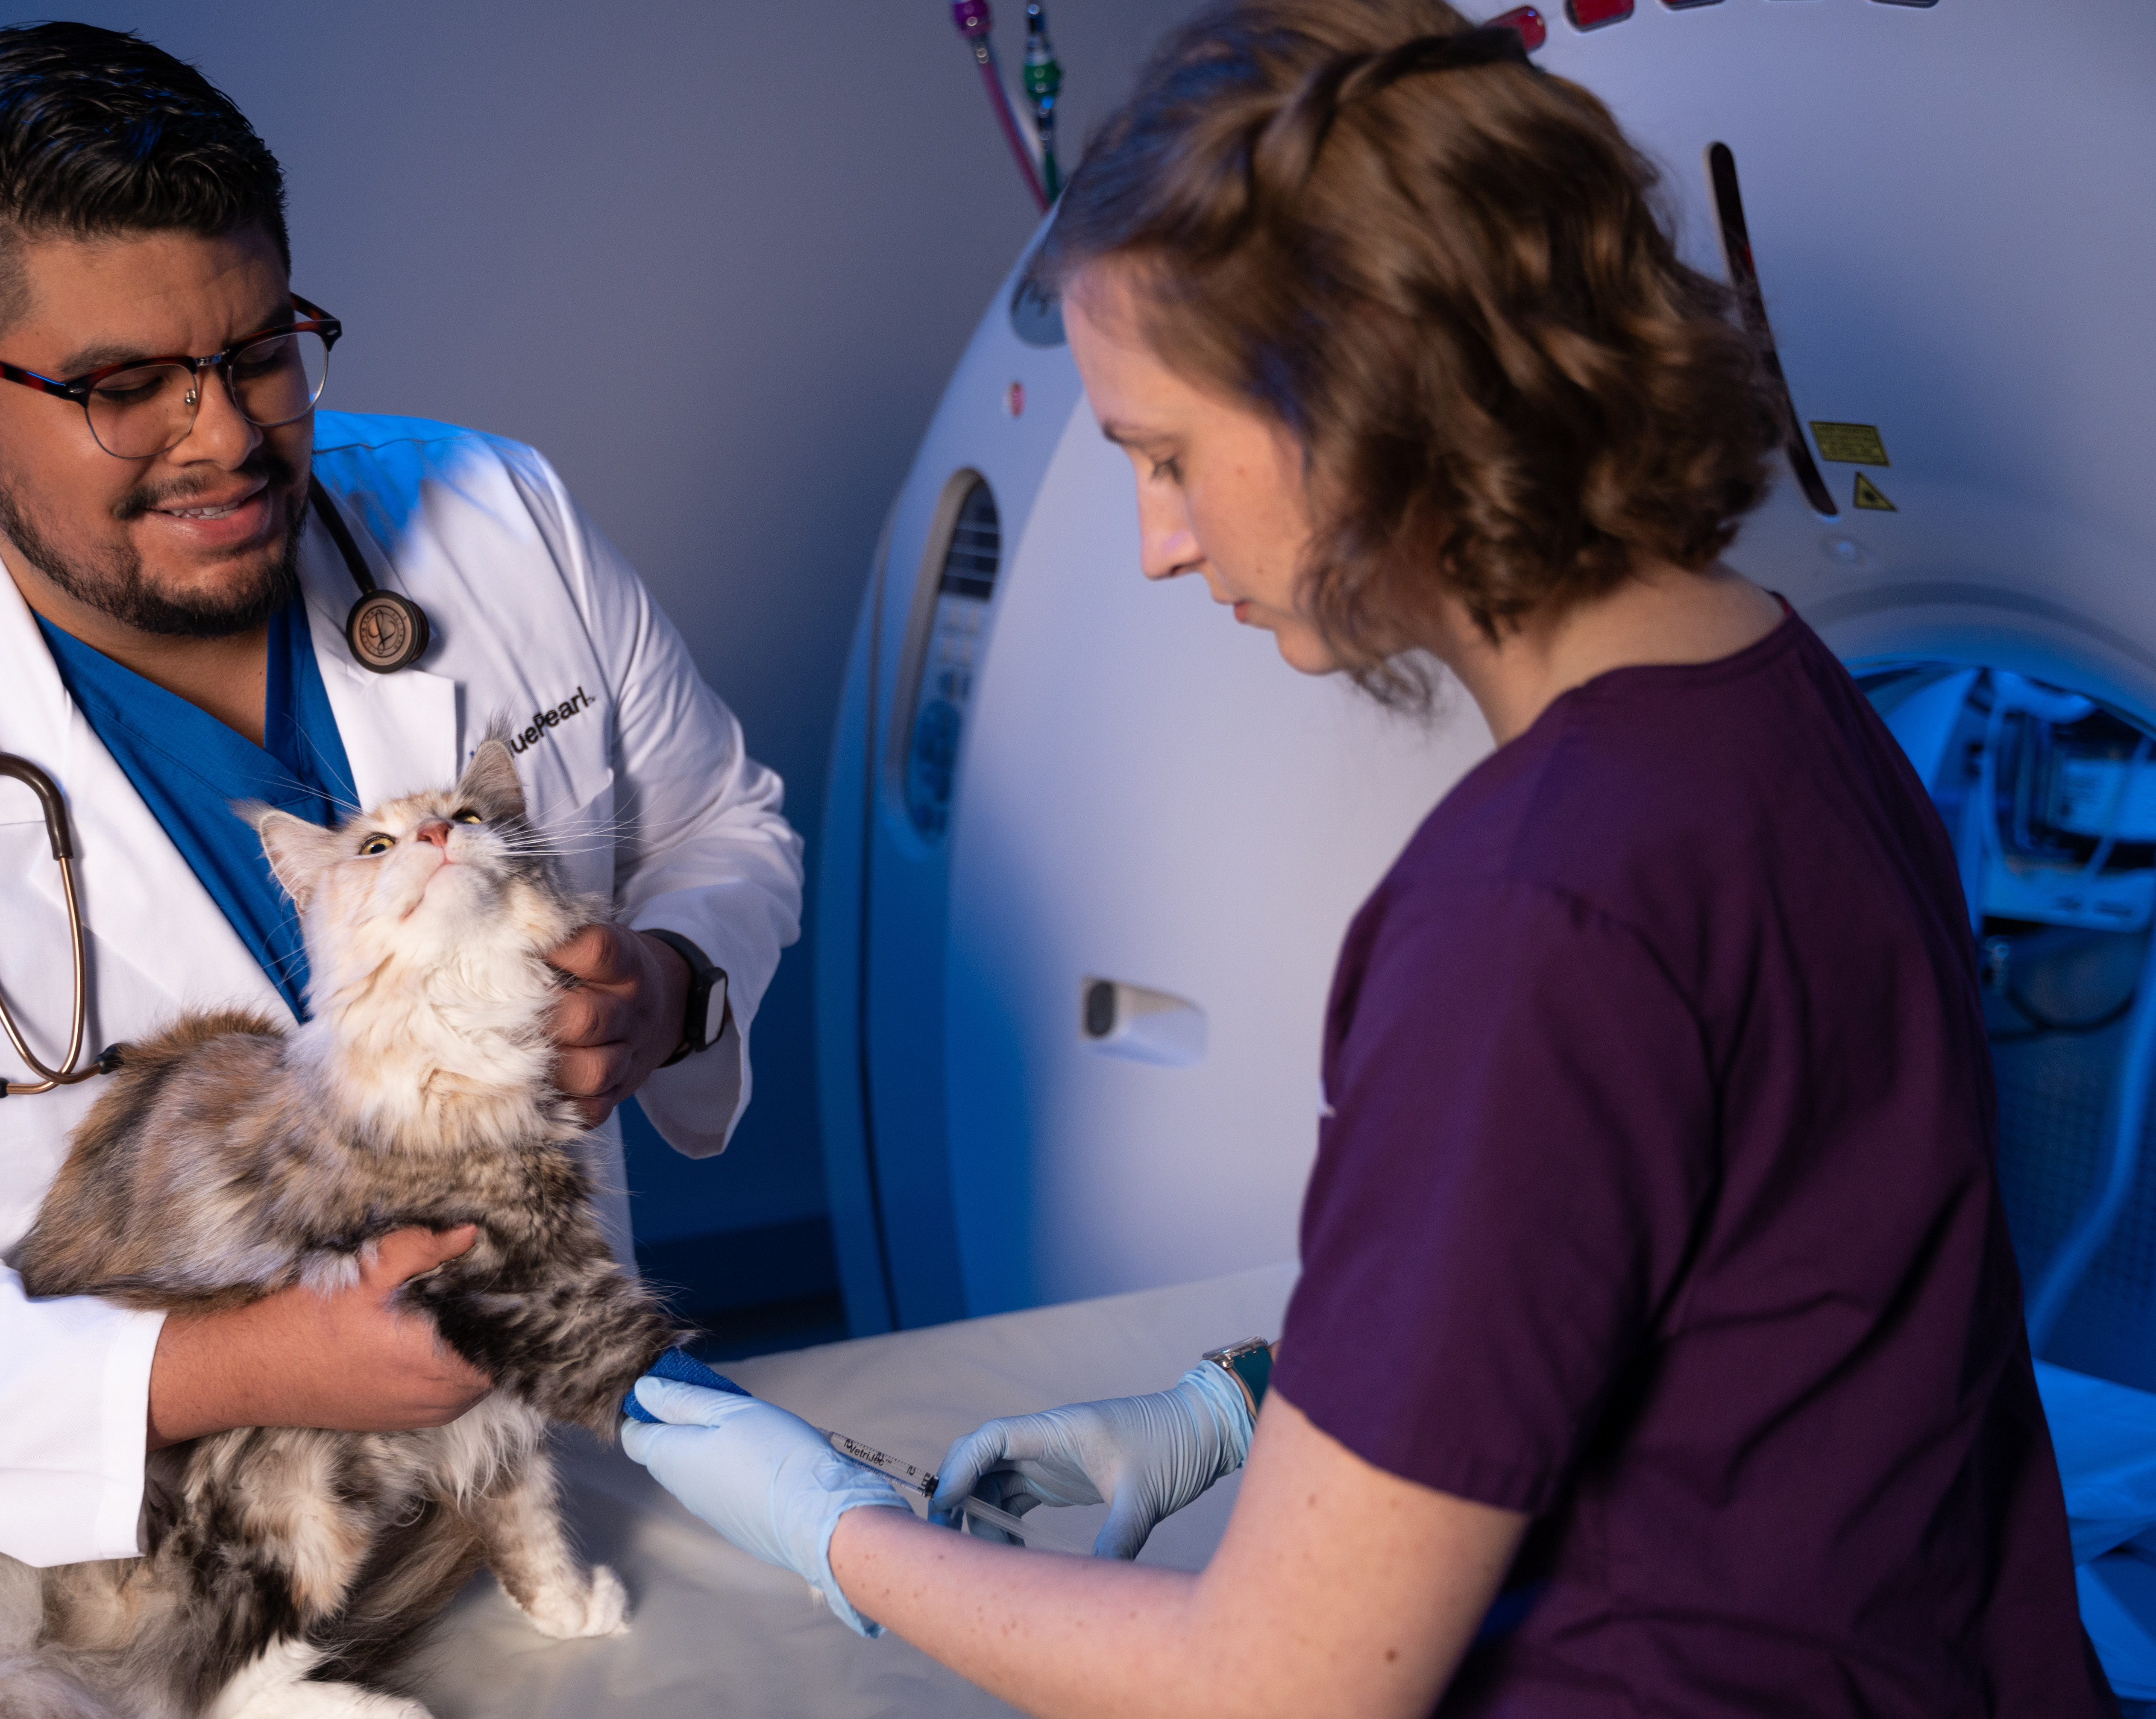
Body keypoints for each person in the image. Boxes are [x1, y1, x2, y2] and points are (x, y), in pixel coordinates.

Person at [619, 3, 2115, 1713]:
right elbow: (1720, 1290)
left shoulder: (1533, 905)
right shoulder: (1796, 711)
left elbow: (1284, 1688)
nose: (1160, 544)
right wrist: (1235, 1409)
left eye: (1167, 459)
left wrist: (836, 1536)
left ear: (1366, 400)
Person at [0, 22, 800, 1569]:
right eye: (123, 386)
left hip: (534, 1473)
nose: (225, 436)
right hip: (100, 1584)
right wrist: (235, 1367)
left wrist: (672, 984)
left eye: (255, 353)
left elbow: (725, 825)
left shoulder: (506, 521)